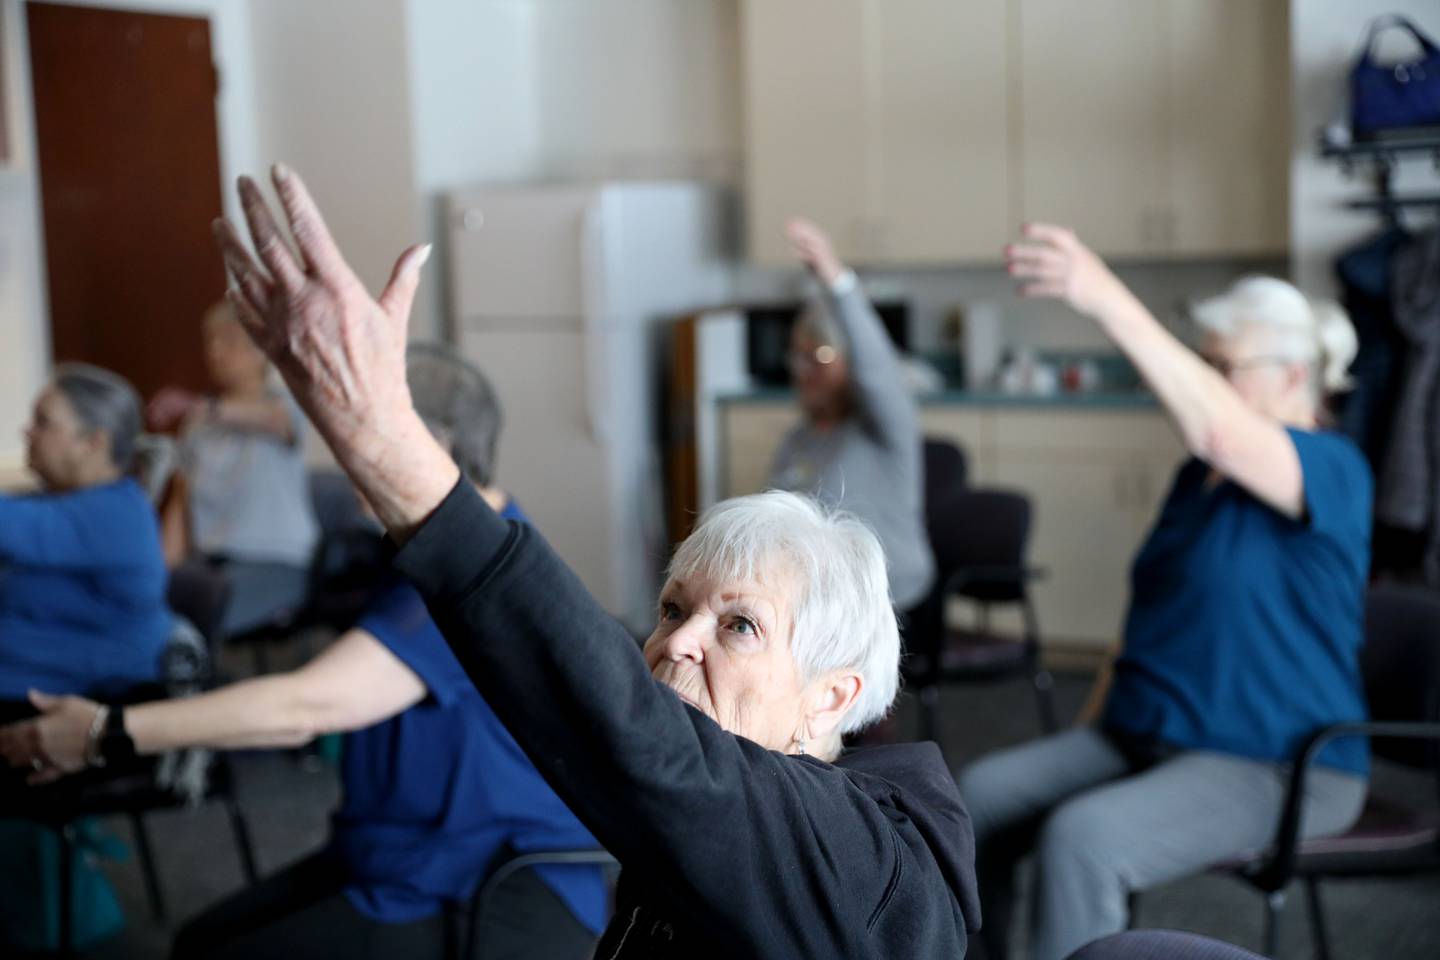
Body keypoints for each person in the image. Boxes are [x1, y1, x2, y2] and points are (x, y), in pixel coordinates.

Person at [196, 165, 977, 957]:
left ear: (831, 697)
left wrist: (380, 436)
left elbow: (621, 724)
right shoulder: (695, 840)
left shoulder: (840, 859)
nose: (674, 642)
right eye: (673, 608)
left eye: (740, 625)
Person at [1, 345, 608, 960]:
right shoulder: (431, 546)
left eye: (360, 440)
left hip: (475, 882)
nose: (345, 466)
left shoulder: (473, 575)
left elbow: (307, 706)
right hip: (396, 854)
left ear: (430, 446)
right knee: (198, 943)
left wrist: (107, 731)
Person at [954, 225, 1372, 960]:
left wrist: (1102, 294)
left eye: (1222, 367)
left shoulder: (1333, 468)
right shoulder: (1196, 481)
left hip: (1276, 757)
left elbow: (1221, 433)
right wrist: (1094, 722)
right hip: (1148, 729)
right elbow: (1148, 619)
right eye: (1202, 364)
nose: (1202, 381)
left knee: (1083, 840)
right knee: (973, 799)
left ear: (1295, 376)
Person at [769, 218, 935, 614]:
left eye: (821, 355)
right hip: (818, 592)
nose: (805, 368)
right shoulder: (798, 440)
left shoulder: (882, 427)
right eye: (799, 356)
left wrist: (836, 280)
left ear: (850, 363)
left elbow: (877, 367)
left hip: (882, 592)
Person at [0, 364, 169, 703]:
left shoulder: (117, 513)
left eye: (43, 422)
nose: (27, 432)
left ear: (93, 442)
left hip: (80, 700)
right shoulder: (67, 501)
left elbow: (15, 526)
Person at [152, 299, 319, 639]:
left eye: (229, 341)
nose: (215, 352)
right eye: (209, 342)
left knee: (201, 611)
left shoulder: (284, 406)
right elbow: (180, 505)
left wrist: (199, 406)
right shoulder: (198, 424)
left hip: (275, 564)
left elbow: (275, 421)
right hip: (211, 564)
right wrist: (157, 571)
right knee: (155, 606)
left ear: (261, 352)